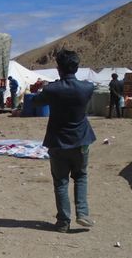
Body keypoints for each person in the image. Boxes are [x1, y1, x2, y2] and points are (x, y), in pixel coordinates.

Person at [32, 49, 96, 233]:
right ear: (76, 67)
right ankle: (82, 213)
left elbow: (36, 102)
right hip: (81, 140)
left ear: (59, 68)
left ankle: (63, 222)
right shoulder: (87, 88)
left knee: (60, 182)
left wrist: (43, 87)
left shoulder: (52, 90)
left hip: (58, 142)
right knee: (81, 176)